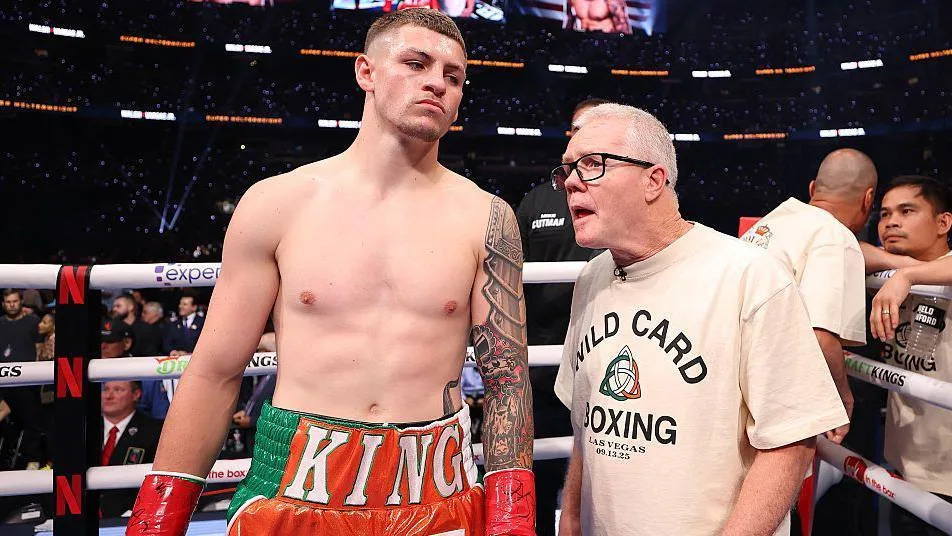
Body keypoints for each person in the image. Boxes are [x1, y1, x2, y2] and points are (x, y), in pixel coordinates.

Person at [128, 10, 535, 536]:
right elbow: (215, 372)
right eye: (415, 63)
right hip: (296, 485)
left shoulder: (487, 217)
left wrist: (512, 520)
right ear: (365, 72)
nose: (437, 81)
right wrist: (159, 520)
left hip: (438, 492)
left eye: (453, 76)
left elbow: (506, 381)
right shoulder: (276, 204)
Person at [553, 103, 848, 536]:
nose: (572, 182)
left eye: (593, 165)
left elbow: (792, 443)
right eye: (568, 169)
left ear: (654, 180)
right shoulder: (592, 276)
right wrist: (572, 519)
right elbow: (588, 422)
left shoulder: (750, 276)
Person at [740, 148, 877, 443]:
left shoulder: (769, 224)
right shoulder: (836, 236)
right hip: (770, 406)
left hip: (728, 384)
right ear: (868, 200)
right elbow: (821, 336)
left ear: (813, 189)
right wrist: (842, 395)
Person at [516, 97, 603, 536]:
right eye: (578, 126)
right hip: (543, 356)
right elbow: (511, 281)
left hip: (609, 348)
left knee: (606, 463)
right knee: (544, 466)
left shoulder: (624, 202)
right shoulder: (536, 201)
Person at [861, 175, 952, 535]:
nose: (891, 222)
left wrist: (908, 278)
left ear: (943, 223)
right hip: (905, 460)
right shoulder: (893, 267)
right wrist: (904, 271)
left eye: (907, 210)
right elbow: (850, 248)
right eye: (884, 214)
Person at [99, 381, 162, 518]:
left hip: (132, 519)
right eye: (105, 389)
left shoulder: (154, 432)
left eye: (118, 390)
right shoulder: (84, 431)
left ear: (136, 394)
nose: (109, 396)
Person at [564, 0, 631, 34]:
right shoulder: (574, 0)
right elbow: (569, 22)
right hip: (583, 39)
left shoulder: (612, 1)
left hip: (606, 40)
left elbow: (622, 25)